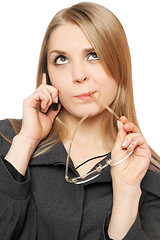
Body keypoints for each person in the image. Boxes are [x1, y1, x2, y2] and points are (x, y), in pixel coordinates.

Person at [0, 2, 160, 239]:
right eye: (62, 59)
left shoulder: (148, 174)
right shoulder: (8, 139)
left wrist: (126, 192)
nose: (78, 75)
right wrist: (25, 142)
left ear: (120, 65)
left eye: (93, 55)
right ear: (47, 74)